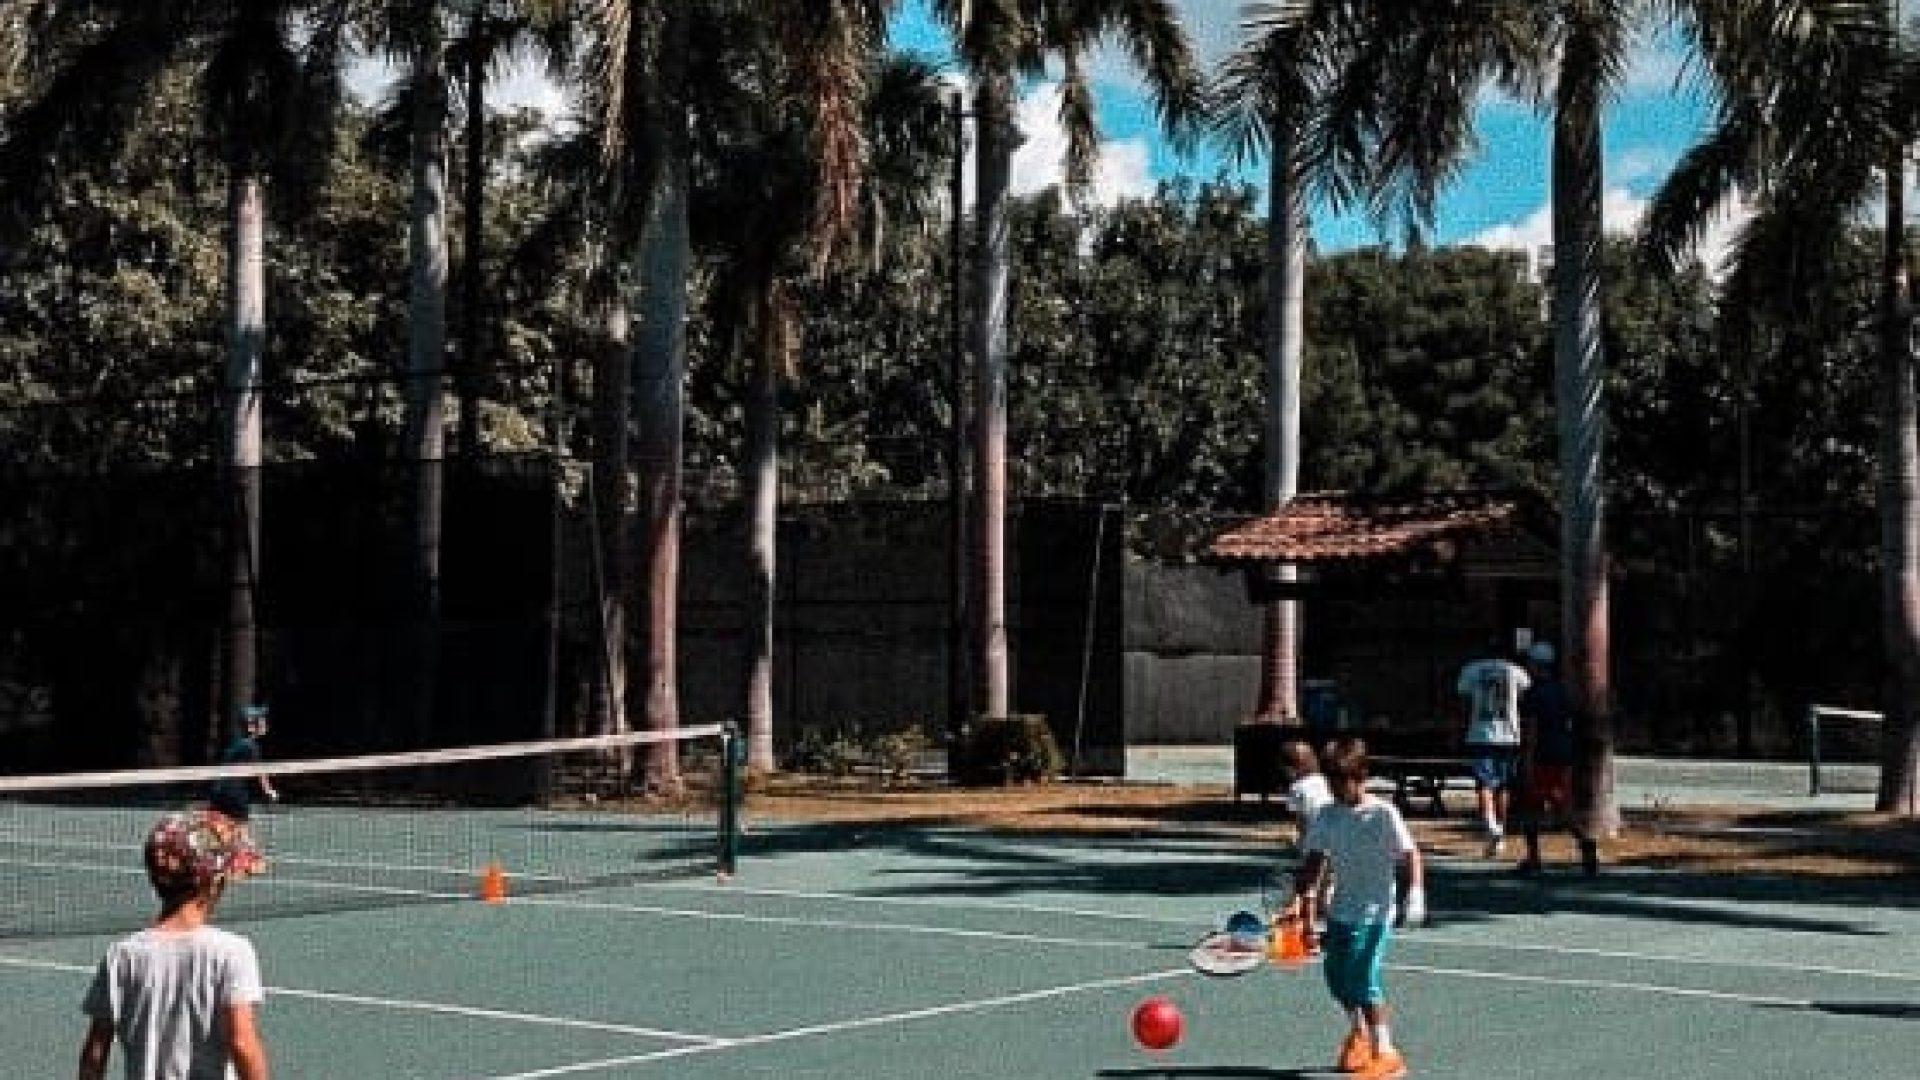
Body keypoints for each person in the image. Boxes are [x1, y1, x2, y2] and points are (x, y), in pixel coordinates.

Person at [78, 809, 270, 1080]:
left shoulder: (121, 955)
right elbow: (242, 1044)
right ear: (211, 882)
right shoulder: (233, 952)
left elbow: (95, 1053)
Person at [1285, 737, 1425, 1080]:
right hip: (1341, 910)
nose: (1335, 789)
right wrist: (1302, 905)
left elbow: (1410, 855)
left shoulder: (1383, 814)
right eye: (1331, 781)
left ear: (1361, 776)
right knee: (1337, 979)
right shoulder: (1327, 815)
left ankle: (1387, 1053)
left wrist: (1416, 893)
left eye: (1341, 781)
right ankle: (1358, 1034)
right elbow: (1314, 863)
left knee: (1363, 980)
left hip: (1374, 913)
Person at [1515, 641, 1599, 876]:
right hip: (1563, 753)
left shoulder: (1533, 694)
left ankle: (1536, 857)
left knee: (1535, 807)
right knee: (1560, 804)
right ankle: (1585, 843)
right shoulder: (1562, 690)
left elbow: (1532, 730)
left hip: (1542, 755)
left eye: (1530, 662)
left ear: (1536, 664)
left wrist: (1527, 760)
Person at [1454, 639, 1530, 857]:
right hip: (1509, 734)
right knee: (1503, 786)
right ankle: (1501, 831)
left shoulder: (1470, 670)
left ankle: (1490, 825)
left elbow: (1463, 704)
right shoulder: (1517, 672)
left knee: (1484, 784)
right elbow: (1524, 701)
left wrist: (1459, 729)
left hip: (1481, 733)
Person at [207, 706, 278, 824]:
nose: (265, 725)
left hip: (219, 791)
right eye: (261, 723)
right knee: (240, 827)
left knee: (219, 828)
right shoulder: (250, 746)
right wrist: (269, 790)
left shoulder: (238, 743)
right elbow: (259, 771)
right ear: (251, 727)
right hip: (233, 793)